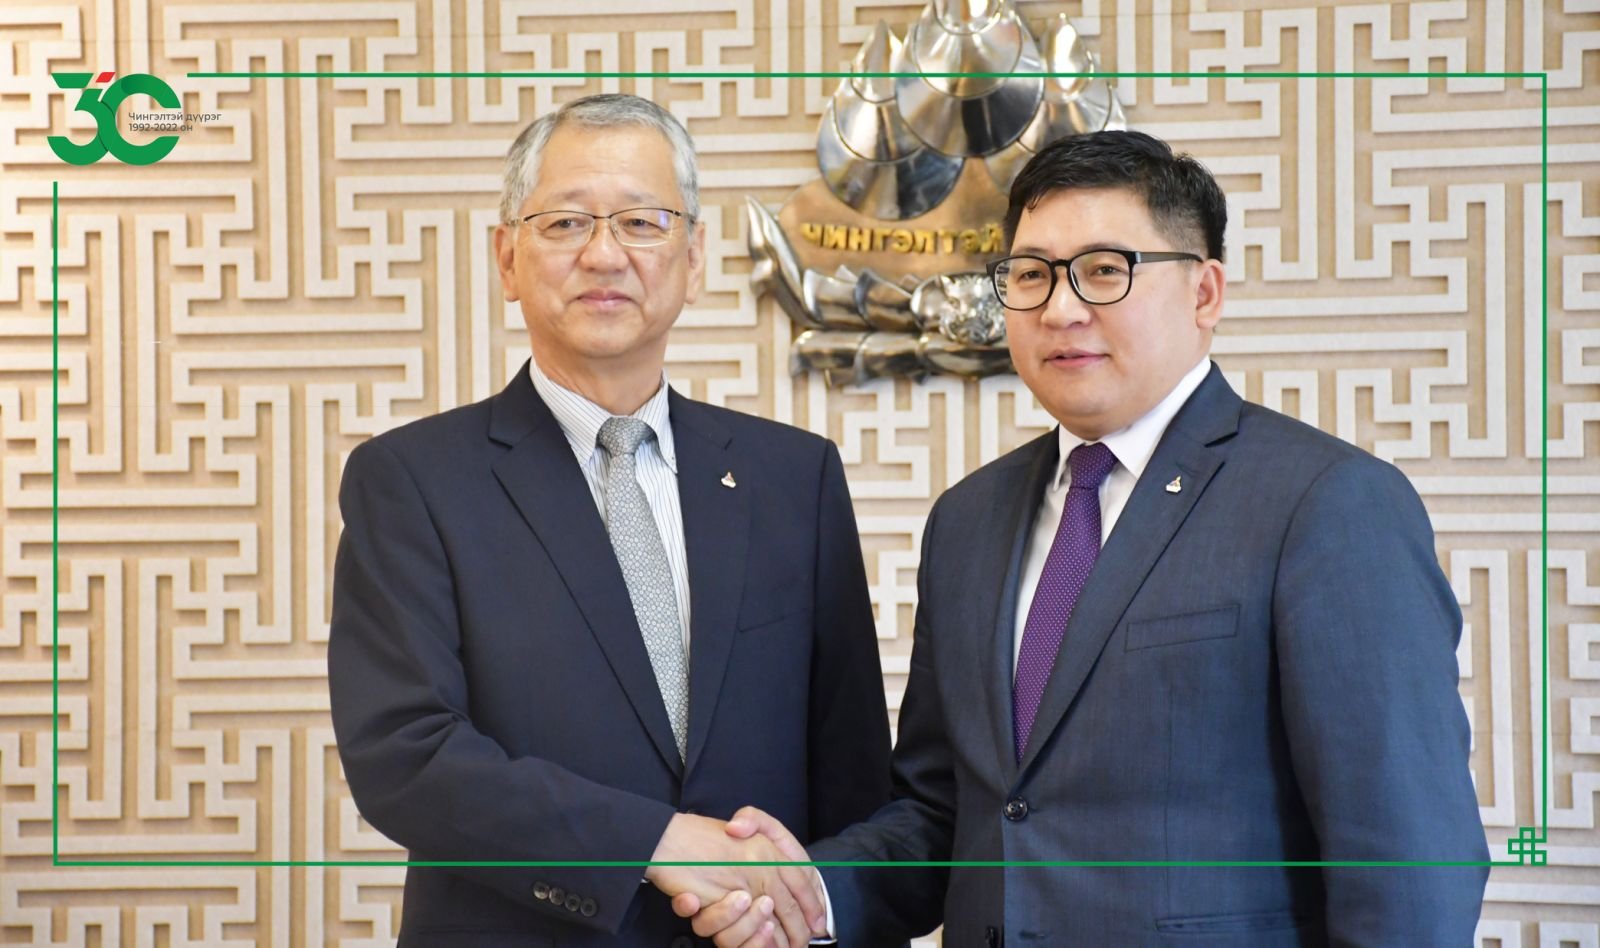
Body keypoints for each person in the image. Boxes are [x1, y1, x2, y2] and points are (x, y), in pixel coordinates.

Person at [680, 129, 1489, 946]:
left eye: (1105, 270)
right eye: (1031, 275)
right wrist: (806, 895)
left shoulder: (1327, 504)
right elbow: (945, 814)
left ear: (1205, 293)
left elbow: (1409, 862)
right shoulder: (967, 520)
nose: (1060, 309)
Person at [327, 93, 891, 947]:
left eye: (641, 222)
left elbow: (855, 782)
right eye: (565, 223)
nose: (603, 253)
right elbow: (404, 756)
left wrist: (817, 918)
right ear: (508, 258)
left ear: (693, 260)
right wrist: (653, 843)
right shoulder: (411, 481)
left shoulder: (794, 479)